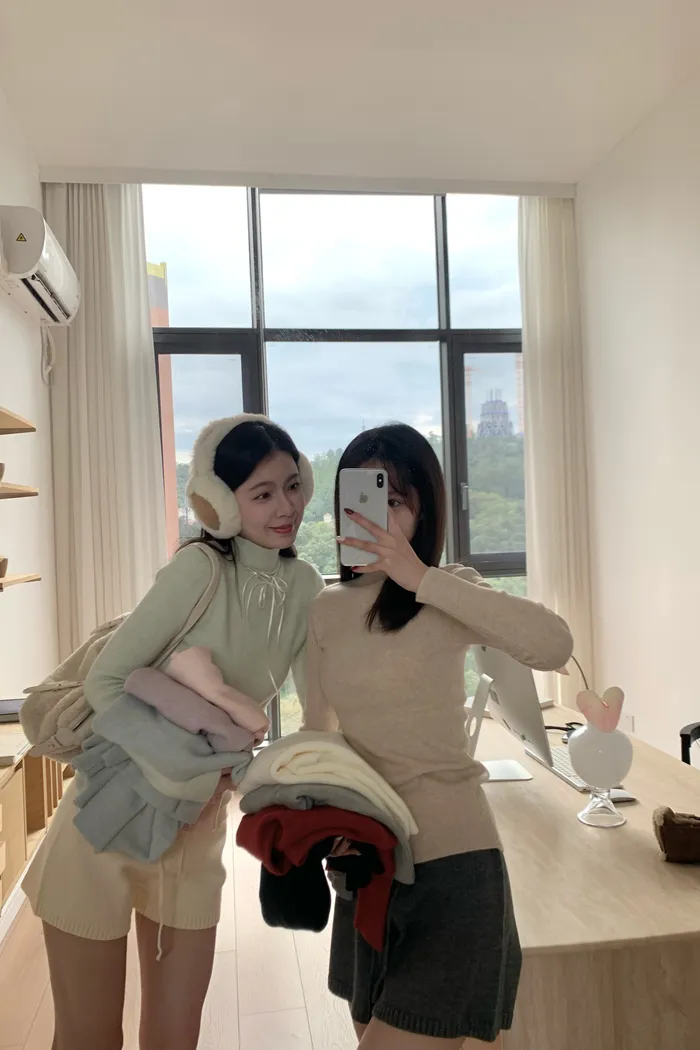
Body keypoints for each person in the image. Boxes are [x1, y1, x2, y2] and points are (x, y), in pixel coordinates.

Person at [23, 414, 324, 1050]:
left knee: (175, 1039)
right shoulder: (198, 569)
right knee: (88, 1038)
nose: (286, 507)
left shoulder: (305, 587)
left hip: (195, 835)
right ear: (221, 503)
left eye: (293, 485)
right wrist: (196, 764)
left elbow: (317, 716)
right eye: (262, 493)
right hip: (105, 823)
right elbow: (108, 684)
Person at [301, 423, 573, 1050]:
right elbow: (321, 738)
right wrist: (326, 821)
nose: (376, 513)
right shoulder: (326, 610)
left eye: (395, 499)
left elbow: (553, 645)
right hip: (365, 866)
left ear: (424, 511)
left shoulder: (449, 592)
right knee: (367, 1029)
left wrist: (420, 578)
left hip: (454, 867)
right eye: (362, 495)